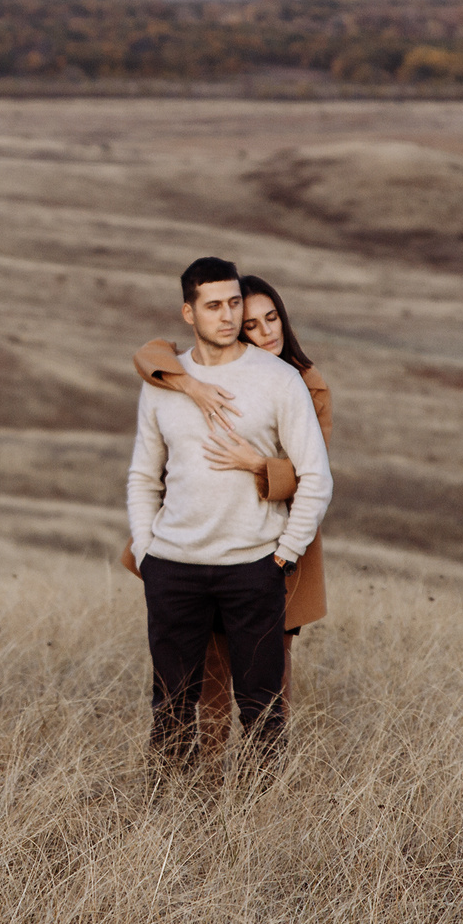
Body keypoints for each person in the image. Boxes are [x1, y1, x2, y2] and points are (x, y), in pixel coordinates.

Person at [125, 256, 332, 765]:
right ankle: (168, 816)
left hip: (253, 567)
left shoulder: (282, 381)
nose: (229, 316)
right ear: (188, 313)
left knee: (262, 710)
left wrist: (283, 555)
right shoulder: (164, 382)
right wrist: (149, 552)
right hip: (174, 567)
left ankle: (263, 822)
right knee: (170, 708)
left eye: (235, 303)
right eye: (213, 305)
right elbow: (142, 476)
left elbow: (316, 477)